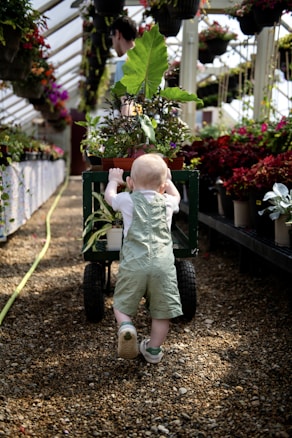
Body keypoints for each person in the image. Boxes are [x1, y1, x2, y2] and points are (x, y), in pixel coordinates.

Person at [104, 154, 183, 364]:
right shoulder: (167, 201)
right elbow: (177, 198)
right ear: (163, 185)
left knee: (121, 305)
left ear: (130, 182)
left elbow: (109, 197)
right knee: (161, 312)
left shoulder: (127, 199)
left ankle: (127, 326)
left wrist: (114, 180)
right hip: (163, 266)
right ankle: (153, 350)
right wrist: (169, 182)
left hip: (133, 264)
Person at [110, 15, 138, 115]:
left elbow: (127, 102)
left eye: (112, 38)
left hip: (136, 126)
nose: (113, 45)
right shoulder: (148, 59)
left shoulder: (124, 63)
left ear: (117, 34)